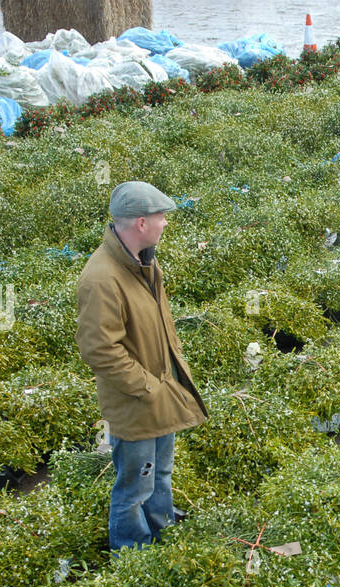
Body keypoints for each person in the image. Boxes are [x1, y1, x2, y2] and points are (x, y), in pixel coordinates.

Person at [76, 182, 209, 551]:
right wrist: (147, 386)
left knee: (160, 473)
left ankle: (162, 525)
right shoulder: (102, 278)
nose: (165, 223)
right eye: (160, 216)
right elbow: (99, 349)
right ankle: (132, 551)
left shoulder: (146, 262)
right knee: (134, 486)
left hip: (160, 390)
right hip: (136, 401)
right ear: (139, 223)